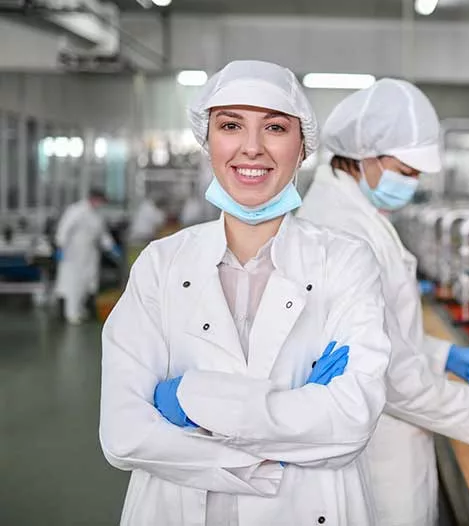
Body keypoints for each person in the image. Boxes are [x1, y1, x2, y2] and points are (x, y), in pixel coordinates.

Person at [99, 60, 392, 526]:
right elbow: (123, 434)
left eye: (274, 127)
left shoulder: (345, 261)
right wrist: (289, 422)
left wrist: (191, 400)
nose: (251, 148)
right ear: (208, 141)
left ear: (302, 148)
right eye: (231, 125)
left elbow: (350, 422)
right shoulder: (161, 264)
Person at [298, 78, 469, 526]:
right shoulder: (339, 227)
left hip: (390, 433)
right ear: (365, 156)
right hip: (375, 449)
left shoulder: (354, 211)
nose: (411, 184)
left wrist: (444, 354)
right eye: (406, 170)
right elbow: (384, 369)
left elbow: (381, 333)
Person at [54, 188, 119, 324]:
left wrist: (111, 247)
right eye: (100, 201)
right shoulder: (76, 210)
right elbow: (64, 229)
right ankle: (71, 314)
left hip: (90, 253)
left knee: (87, 283)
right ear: (93, 198)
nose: (101, 204)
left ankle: (80, 310)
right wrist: (60, 246)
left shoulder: (96, 214)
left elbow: (102, 234)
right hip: (74, 253)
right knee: (74, 283)